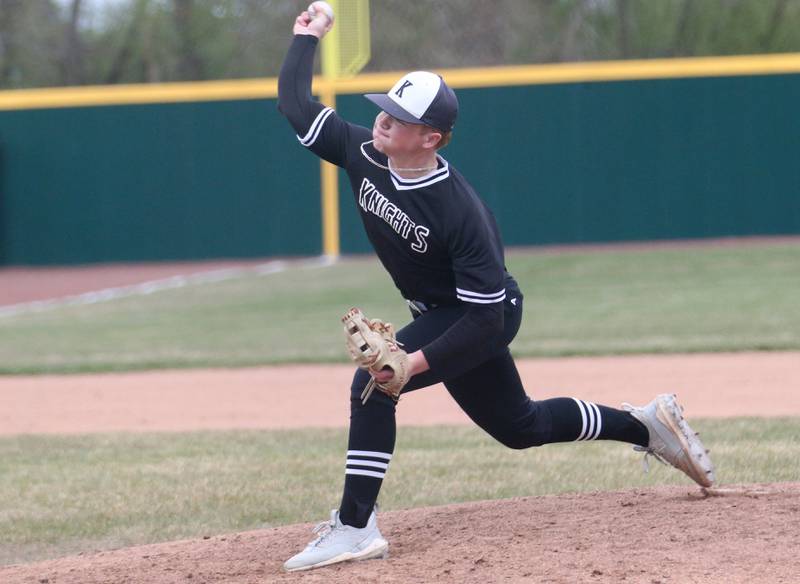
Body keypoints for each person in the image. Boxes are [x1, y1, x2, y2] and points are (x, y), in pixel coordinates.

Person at [278, 6, 715, 573]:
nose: (382, 121)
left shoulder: (461, 212)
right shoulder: (363, 153)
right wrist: (304, 39)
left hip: (481, 314)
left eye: (398, 117)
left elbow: (483, 322)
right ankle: (646, 424)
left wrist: (412, 361)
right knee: (520, 427)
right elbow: (297, 107)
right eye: (384, 110)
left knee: (375, 384)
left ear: (430, 137)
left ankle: (355, 527)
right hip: (441, 311)